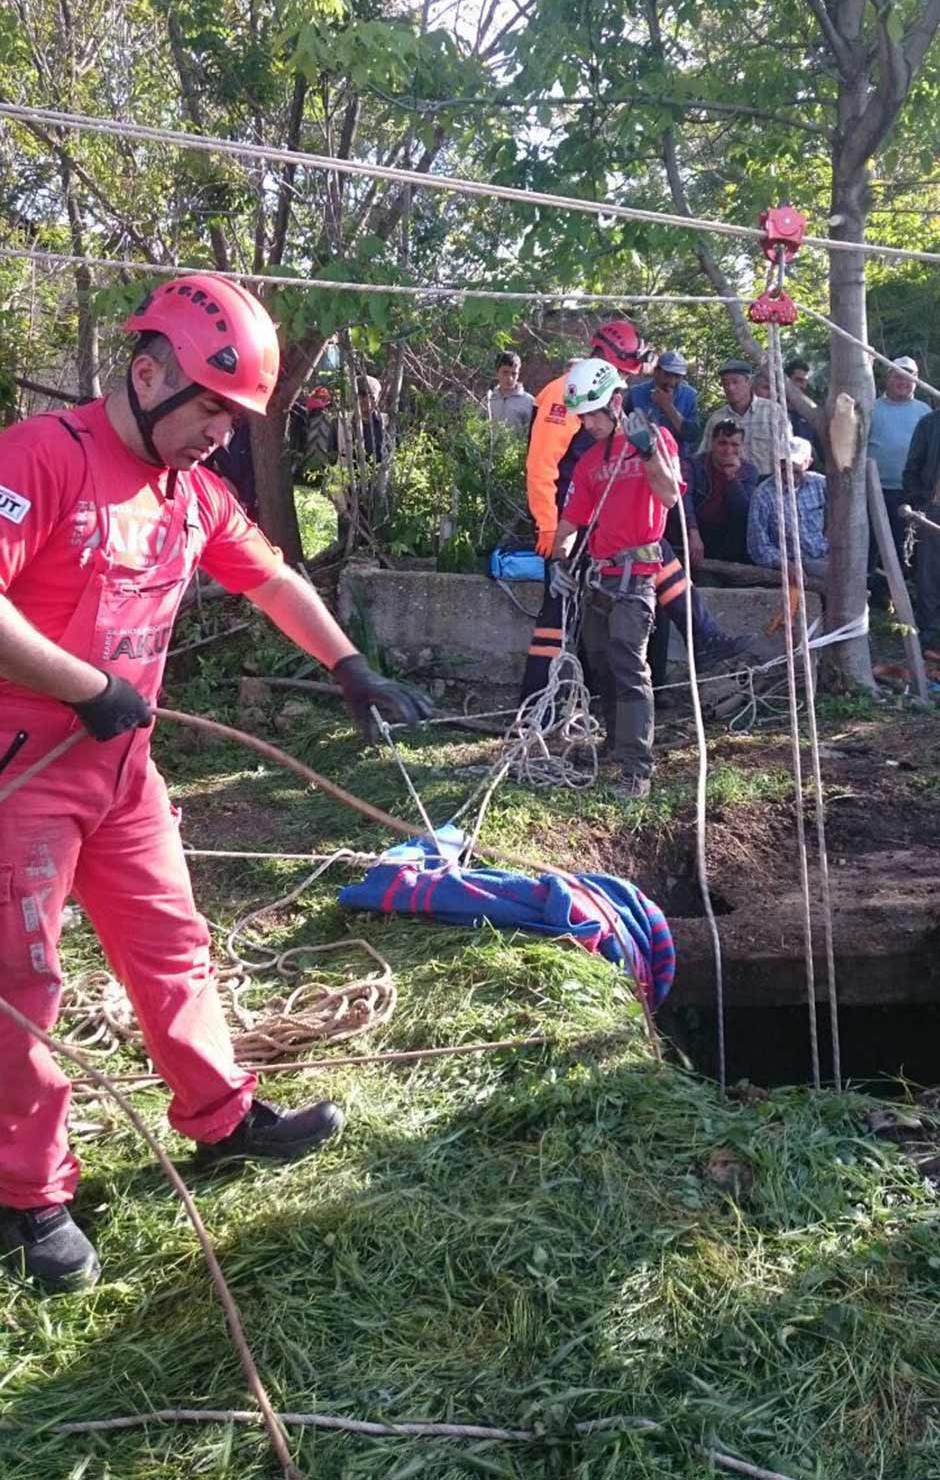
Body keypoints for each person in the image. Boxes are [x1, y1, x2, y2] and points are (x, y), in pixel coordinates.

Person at [0, 275, 431, 1293]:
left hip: (122, 767)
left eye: (235, 421)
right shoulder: (39, 458)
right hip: (25, 769)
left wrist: (346, 665)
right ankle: (27, 1195)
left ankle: (222, 1118)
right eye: (208, 410)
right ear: (147, 373)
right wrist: (85, 683)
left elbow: (269, 575)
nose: (219, 438)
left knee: (173, 949)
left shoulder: (190, 493)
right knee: (21, 984)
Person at [521, 321, 749, 697]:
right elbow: (542, 466)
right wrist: (549, 529)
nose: (628, 379)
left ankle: (705, 638)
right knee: (558, 610)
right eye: (626, 366)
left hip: (602, 510)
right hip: (573, 515)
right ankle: (535, 700)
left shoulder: (606, 389)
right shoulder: (563, 393)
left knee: (660, 558)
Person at [551, 359, 682, 800]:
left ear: (617, 402)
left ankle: (636, 768)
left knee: (628, 665)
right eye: (582, 416)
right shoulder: (589, 461)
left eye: (593, 414)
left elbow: (668, 496)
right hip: (600, 577)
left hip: (638, 577)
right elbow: (570, 523)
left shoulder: (656, 441)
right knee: (601, 664)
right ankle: (614, 743)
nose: (586, 423)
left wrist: (646, 453)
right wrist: (559, 563)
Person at [868, 356, 929, 602]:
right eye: (897, 375)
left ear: (917, 380)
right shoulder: (872, 408)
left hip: (911, 493)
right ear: (887, 377)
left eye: (909, 376)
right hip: (876, 490)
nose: (903, 381)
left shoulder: (924, 412)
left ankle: (903, 598)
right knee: (874, 545)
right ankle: (875, 598)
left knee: (908, 546)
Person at [747, 435, 829, 580]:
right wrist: (786, 565)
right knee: (839, 576)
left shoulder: (820, 484)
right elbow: (757, 546)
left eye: (794, 467)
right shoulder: (763, 494)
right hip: (791, 562)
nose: (788, 473)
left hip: (824, 554)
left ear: (808, 463)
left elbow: (841, 518)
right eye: (783, 465)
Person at [684, 420, 759, 565]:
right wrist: (692, 532)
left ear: (741, 447)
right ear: (712, 443)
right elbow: (684, 500)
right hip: (699, 530)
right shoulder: (693, 465)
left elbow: (743, 512)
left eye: (734, 444)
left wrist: (732, 477)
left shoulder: (749, 471)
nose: (728, 450)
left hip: (731, 536)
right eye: (723, 443)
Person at [699, 359, 789, 479]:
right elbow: (704, 455)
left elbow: (787, 452)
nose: (730, 388)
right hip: (729, 483)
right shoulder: (716, 419)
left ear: (749, 382)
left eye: (735, 382)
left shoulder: (773, 412)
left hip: (767, 483)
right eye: (726, 383)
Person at [902, 387, 940, 656]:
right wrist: (924, 501)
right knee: (929, 573)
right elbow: (912, 468)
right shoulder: (929, 424)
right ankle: (931, 634)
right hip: (933, 508)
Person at [625, 350, 700, 457]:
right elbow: (624, 429)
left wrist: (668, 407)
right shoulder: (636, 393)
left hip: (677, 459)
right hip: (641, 459)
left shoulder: (689, 396)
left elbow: (692, 436)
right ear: (656, 372)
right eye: (668, 375)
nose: (672, 382)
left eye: (677, 376)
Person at [783, 357, 824, 461]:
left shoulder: (811, 412)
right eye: (798, 380)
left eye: (805, 381)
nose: (803, 386)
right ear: (786, 381)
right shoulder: (773, 410)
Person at [486, 351, 534, 433]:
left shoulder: (529, 402)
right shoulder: (488, 399)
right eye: (505, 372)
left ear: (518, 374)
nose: (510, 378)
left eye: (514, 373)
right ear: (497, 372)